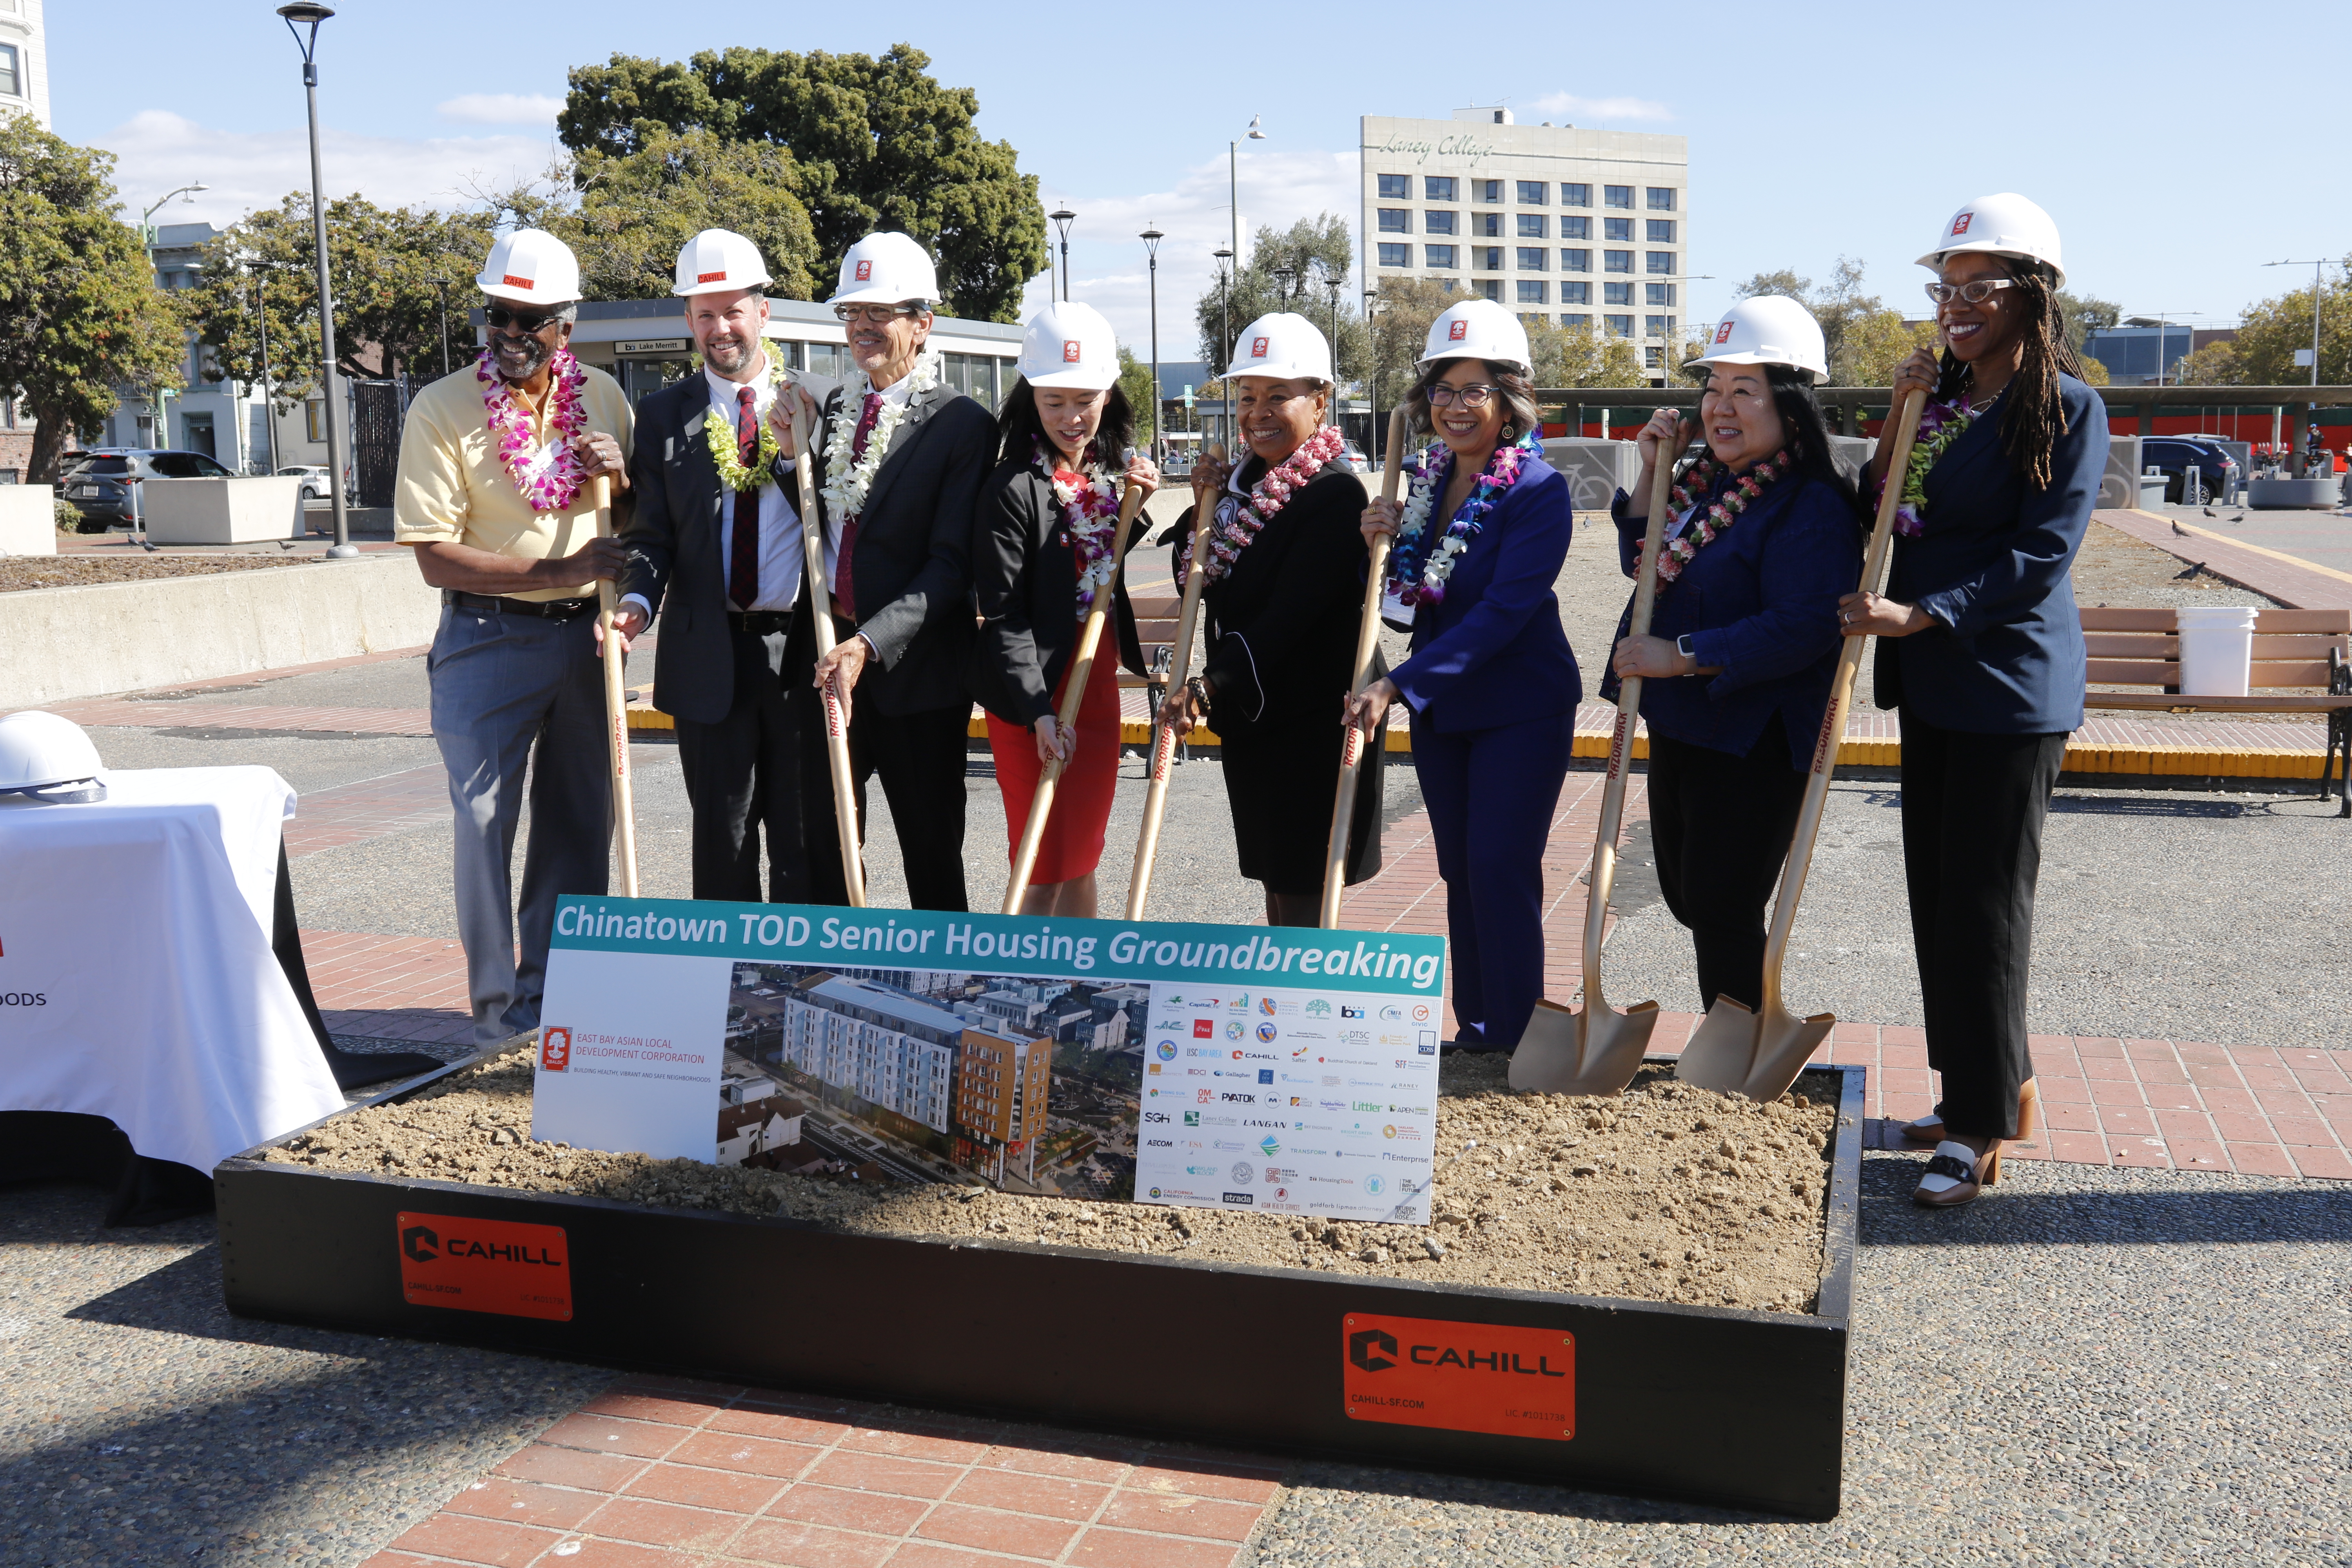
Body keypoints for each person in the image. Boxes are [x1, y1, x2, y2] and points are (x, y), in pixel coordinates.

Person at [1847, 193, 2106, 1208]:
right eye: (1944, 289)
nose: (1955, 306)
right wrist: (1901, 416)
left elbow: (2043, 554)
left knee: (1987, 914)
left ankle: (1980, 1126)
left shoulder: (2069, 407)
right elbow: (1884, 510)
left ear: (2031, 297)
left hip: (2008, 688)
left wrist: (1924, 613)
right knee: (1937, 902)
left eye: (1978, 288)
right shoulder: (1946, 408)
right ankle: (1987, 1090)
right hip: (1936, 684)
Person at [392, 229, 633, 1047]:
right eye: (498, 315)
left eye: (531, 319)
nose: (511, 334)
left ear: (568, 325)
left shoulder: (602, 395)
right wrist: (557, 569)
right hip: (484, 640)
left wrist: (622, 477)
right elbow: (432, 558)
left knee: (578, 824)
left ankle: (558, 1003)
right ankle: (498, 1016)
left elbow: (634, 524)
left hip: (585, 642)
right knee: (483, 820)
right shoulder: (440, 407)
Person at [1604, 298, 1864, 1019]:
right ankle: (1736, 1029)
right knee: (1689, 893)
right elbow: (1644, 558)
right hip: (1685, 724)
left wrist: (1683, 654)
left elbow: (1804, 625)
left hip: (1755, 732)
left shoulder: (1811, 503)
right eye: (1712, 390)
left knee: (1722, 898)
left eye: (1743, 391)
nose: (1720, 407)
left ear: (1792, 404)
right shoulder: (1707, 483)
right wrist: (1655, 466)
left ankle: (1740, 1045)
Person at [1350, 300, 1579, 1052]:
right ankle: (1477, 1028)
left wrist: (1399, 686)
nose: (1454, 407)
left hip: (1519, 705)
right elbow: (1399, 607)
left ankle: (1519, 1037)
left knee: (1499, 865)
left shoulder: (1539, 490)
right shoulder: (1422, 481)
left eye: (1473, 391)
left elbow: (1504, 613)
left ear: (1509, 402)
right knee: (1459, 868)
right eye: (1442, 391)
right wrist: (1378, 548)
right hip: (1445, 711)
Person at [614, 230, 824, 902]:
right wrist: (636, 604)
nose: (720, 327)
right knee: (723, 841)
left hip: (801, 652)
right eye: (705, 314)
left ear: (765, 312)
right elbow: (652, 535)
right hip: (707, 654)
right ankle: (730, 997)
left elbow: (840, 523)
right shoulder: (660, 417)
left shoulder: (816, 403)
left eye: (734, 310)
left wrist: (794, 454)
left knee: (804, 839)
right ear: (688, 321)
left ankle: (801, 984)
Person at [1158, 312, 1379, 928]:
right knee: (1275, 878)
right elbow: (1194, 575)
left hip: (1312, 718)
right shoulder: (1241, 486)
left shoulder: (1334, 495)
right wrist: (1202, 507)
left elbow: (1288, 616)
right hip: (1255, 713)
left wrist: (1210, 685)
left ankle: (1305, 1016)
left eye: (1279, 396)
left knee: (1305, 885)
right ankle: (1280, 1014)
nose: (1258, 413)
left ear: (1320, 401)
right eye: (1248, 397)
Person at [802, 232, 995, 912]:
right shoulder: (831, 411)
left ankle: (949, 997)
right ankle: (841, 982)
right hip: (832, 663)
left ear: (923, 323)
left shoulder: (963, 425)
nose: (862, 328)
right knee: (825, 844)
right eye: (852, 314)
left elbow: (951, 567)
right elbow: (818, 513)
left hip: (917, 677)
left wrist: (869, 643)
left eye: (879, 314)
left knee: (931, 854)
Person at [971, 300, 1158, 915]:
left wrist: (1135, 506)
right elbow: (1004, 615)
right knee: (1041, 864)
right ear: (1030, 397)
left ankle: (1079, 985)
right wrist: (1037, 715)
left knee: (1081, 856)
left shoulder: (1107, 479)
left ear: (1109, 395)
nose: (1071, 418)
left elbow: (1094, 568)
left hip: (1096, 686)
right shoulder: (1011, 488)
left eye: (1085, 400)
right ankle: (1021, 995)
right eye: (1054, 402)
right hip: (1031, 701)